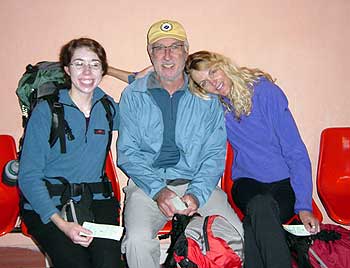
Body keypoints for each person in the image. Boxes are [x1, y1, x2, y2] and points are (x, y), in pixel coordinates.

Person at [116, 20, 243, 268]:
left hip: (198, 184)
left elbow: (215, 154)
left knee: (237, 235)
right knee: (136, 242)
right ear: (150, 53)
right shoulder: (133, 95)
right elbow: (128, 154)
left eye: (175, 46)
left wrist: (197, 192)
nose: (167, 55)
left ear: (186, 51)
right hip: (147, 186)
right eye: (159, 48)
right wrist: (157, 190)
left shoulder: (206, 95)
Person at [185, 50, 320, 268]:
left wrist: (304, 205)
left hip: (283, 184)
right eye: (204, 82)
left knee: (254, 222)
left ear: (223, 64)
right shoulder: (215, 106)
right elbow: (172, 86)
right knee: (260, 204)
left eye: (213, 72)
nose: (213, 82)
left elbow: (295, 150)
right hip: (247, 183)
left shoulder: (265, 92)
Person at [18, 37, 124, 268]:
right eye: (79, 63)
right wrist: (64, 225)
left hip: (96, 200)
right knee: (76, 262)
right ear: (67, 69)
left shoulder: (107, 108)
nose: (87, 71)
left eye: (95, 64)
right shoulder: (47, 110)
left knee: (109, 263)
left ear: (103, 70)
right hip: (49, 203)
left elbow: (143, 95)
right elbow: (28, 176)